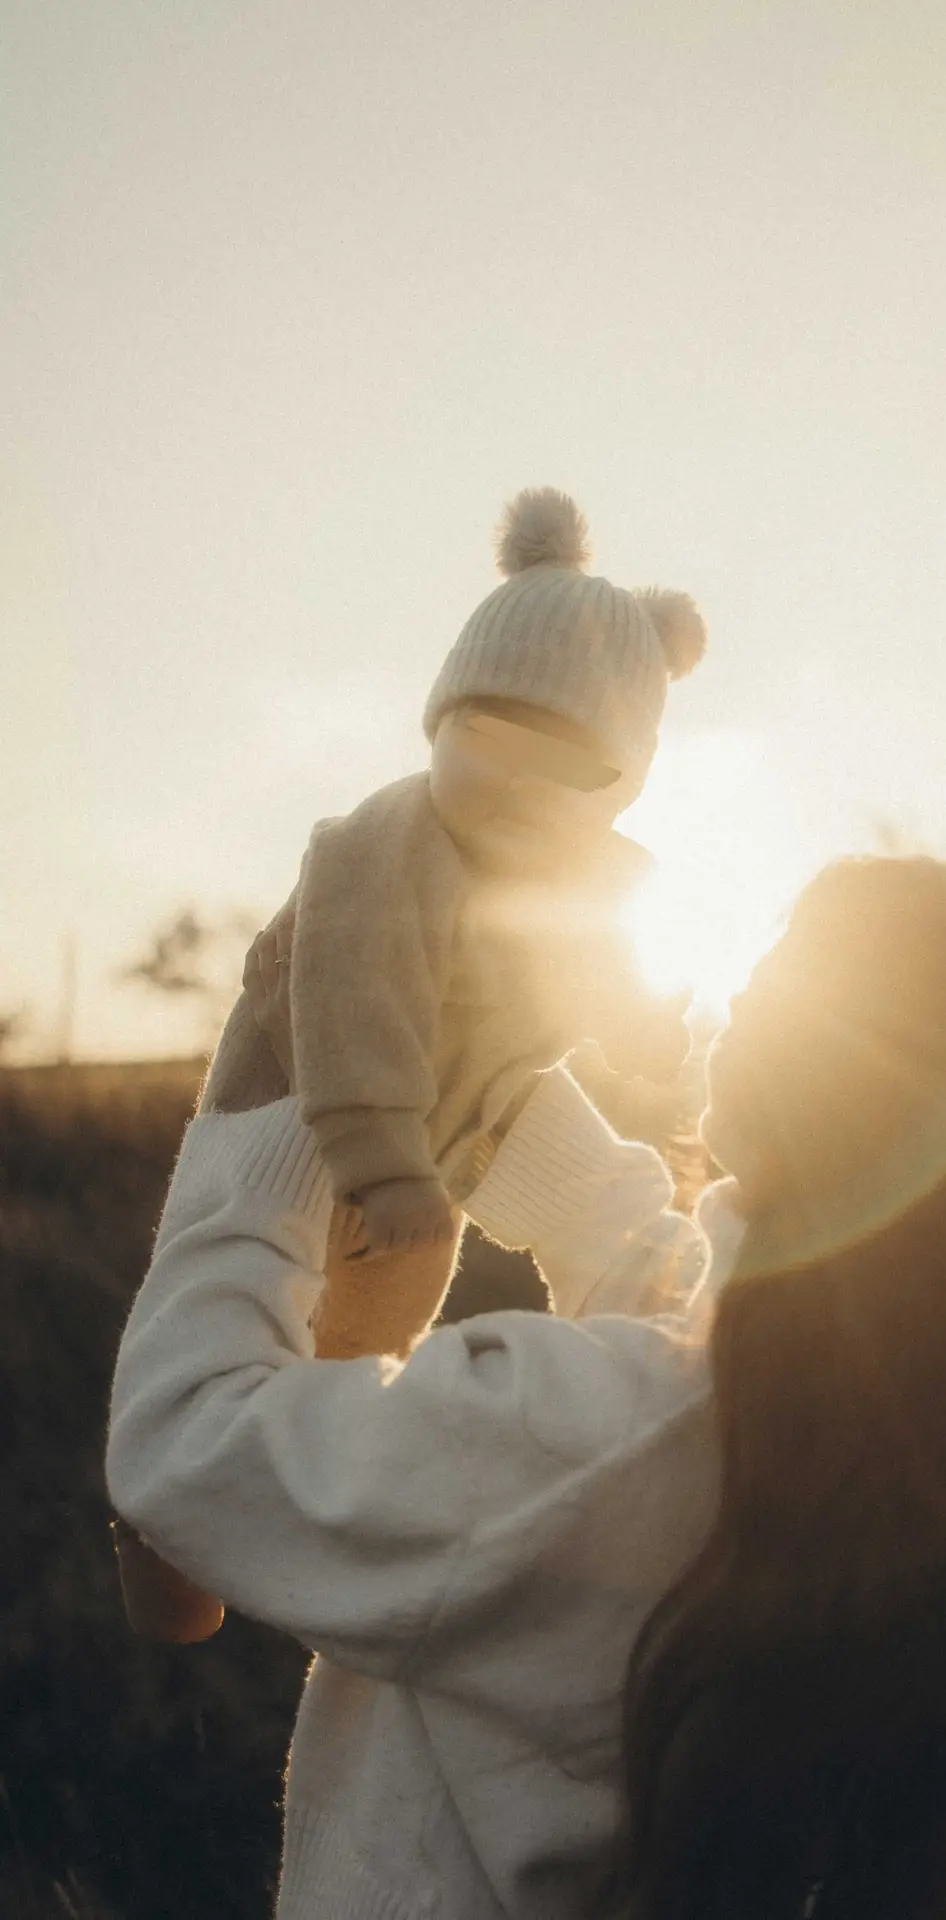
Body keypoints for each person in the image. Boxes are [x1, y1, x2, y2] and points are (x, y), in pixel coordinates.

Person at [106, 856, 946, 1920]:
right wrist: (472, 1092)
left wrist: (283, 1093)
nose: (744, 986)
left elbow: (185, 1440)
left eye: (795, 968)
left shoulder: (574, 1437)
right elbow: (669, 1286)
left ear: (867, 1094)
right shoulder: (910, 1457)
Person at [113, 483, 701, 1642]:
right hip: (300, 1099)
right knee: (246, 1279)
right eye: (486, 738)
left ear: (619, 782)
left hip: (482, 1102)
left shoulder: (590, 874)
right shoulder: (385, 845)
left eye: (568, 767)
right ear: (437, 724)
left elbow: (603, 981)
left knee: (614, 1203)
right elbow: (353, 1003)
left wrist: (661, 1071)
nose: (519, 787)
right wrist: (382, 1164)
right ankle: (170, 1533)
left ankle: (679, 1391)